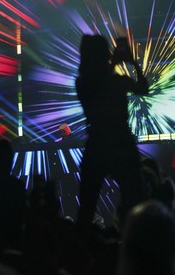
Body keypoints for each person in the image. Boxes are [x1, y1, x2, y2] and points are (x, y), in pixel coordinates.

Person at [75, 34, 149, 234]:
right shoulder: (96, 82)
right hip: (120, 143)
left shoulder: (83, 82)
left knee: (87, 206)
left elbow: (143, 88)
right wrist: (127, 62)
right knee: (136, 199)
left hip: (98, 144)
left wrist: (126, 62)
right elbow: (142, 87)